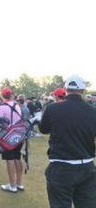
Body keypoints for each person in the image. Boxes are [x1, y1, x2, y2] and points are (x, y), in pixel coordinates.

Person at [39, 75, 96, 208]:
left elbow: (43, 129)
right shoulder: (93, 111)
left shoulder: (53, 108)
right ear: (82, 91)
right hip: (86, 166)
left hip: (61, 167)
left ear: (66, 90)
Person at [0, 88, 24, 193]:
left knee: (10, 159)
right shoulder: (16, 105)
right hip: (18, 135)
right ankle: (19, 183)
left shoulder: (2, 107)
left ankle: (12, 185)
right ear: (11, 95)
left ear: (2, 96)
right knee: (17, 157)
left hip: (7, 136)